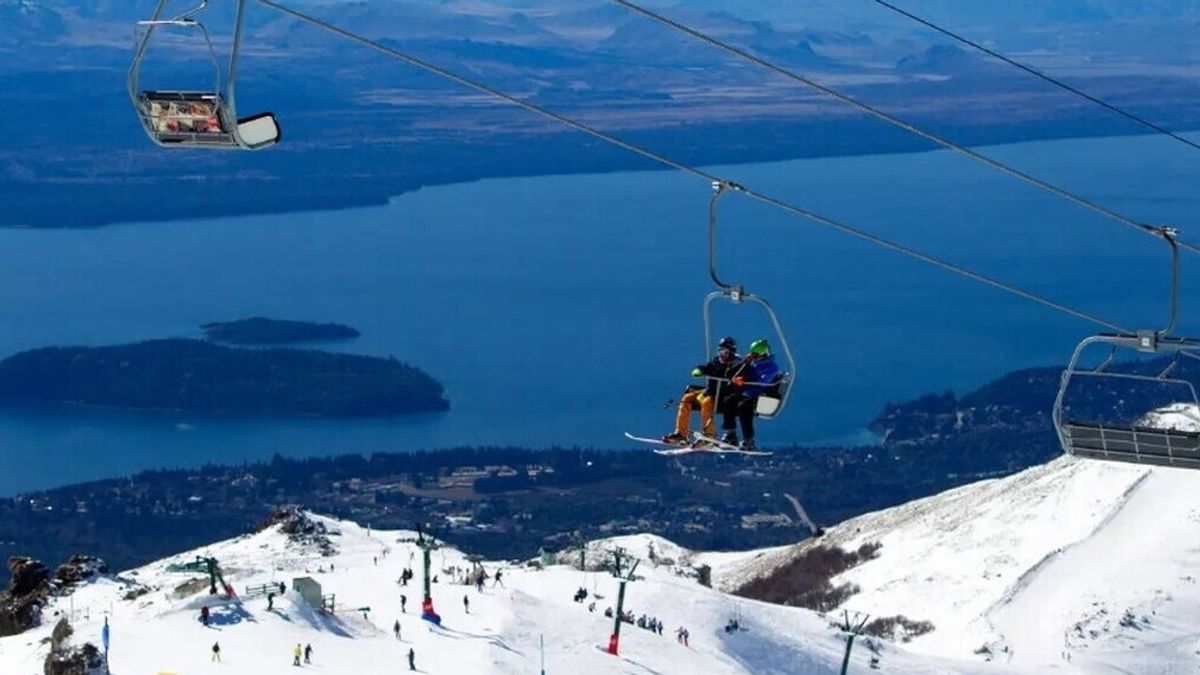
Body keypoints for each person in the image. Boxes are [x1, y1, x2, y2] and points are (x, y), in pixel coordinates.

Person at [663, 337, 740, 444]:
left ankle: (709, 435)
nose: (722, 355)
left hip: (722, 395)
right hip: (710, 391)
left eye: (725, 352)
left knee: (706, 402)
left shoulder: (737, 365)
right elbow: (707, 367)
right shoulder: (716, 361)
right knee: (687, 398)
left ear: (731, 352)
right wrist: (700, 370)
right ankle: (681, 433)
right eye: (720, 351)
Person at [718, 338, 782, 450]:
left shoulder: (771, 367)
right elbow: (732, 373)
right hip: (748, 392)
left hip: (760, 395)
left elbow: (762, 382)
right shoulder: (753, 365)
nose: (754, 358)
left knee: (744, 408)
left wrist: (746, 378)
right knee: (728, 400)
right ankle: (731, 433)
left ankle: (749, 439)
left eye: (756, 356)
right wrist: (744, 363)